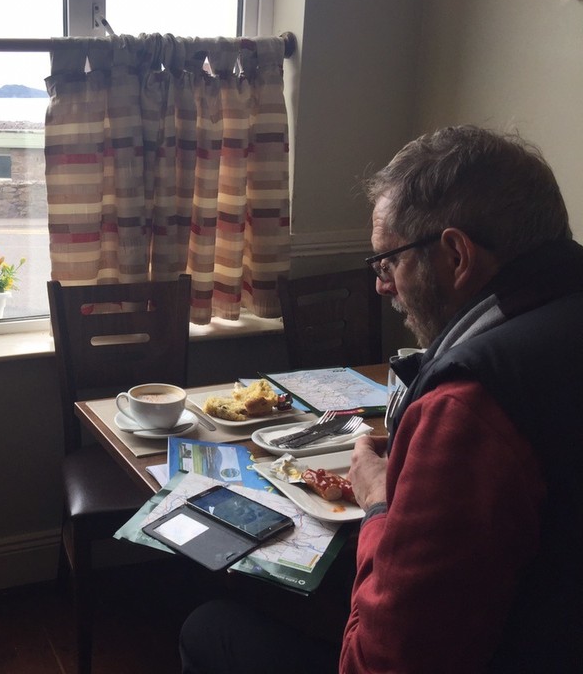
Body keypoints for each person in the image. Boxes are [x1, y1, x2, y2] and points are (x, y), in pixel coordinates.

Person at [179, 125, 583, 673]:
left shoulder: (471, 405)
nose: (381, 286)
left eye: (388, 262)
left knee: (210, 627)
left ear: (456, 255)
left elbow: (379, 664)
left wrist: (378, 503)